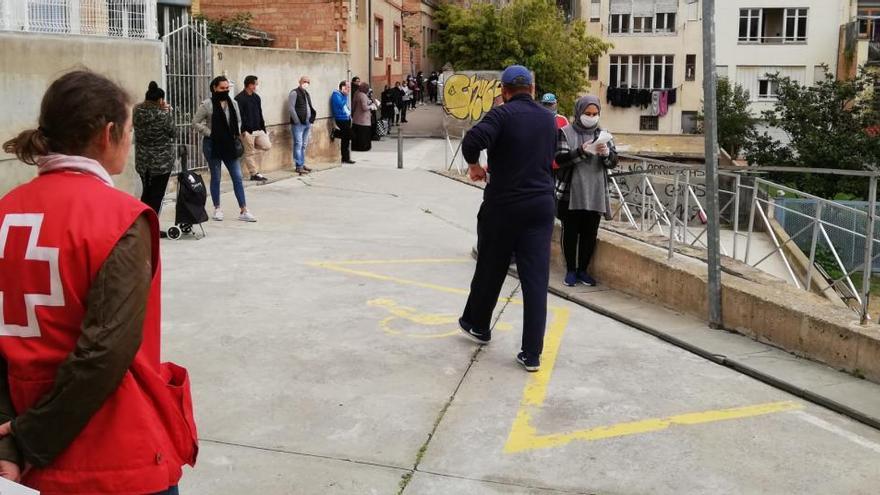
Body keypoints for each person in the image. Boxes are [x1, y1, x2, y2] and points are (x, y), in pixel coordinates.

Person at [0, 70, 197, 494]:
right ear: (109, 133)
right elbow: (105, 353)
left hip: (22, 452)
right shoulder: (120, 218)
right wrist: (28, 436)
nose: (130, 140)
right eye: (128, 130)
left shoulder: (5, 211)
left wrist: (10, 441)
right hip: (112, 452)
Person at [457, 65, 557, 373]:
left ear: (504, 90)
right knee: (536, 280)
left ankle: (478, 325)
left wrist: (474, 166)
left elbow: (472, 141)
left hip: (504, 206)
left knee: (490, 266)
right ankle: (532, 354)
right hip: (541, 206)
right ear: (533, 88)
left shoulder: (501, 114)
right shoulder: (549, 120)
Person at [555, 95, 618, 287]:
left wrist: (607, 154)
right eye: (587, 113)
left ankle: (583, 269)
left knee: (590, 233)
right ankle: (571, 270)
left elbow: (613, 163)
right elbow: (559, 160)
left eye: (595, 113)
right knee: (571, 232)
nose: (591, 117)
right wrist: (582, 151)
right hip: (571, 192)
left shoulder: (604, 134)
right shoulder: (565, 132)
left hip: (595, 191)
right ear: (578, 113)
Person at [194, 75, 257, 222]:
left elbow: (239, 120)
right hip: (213, 145)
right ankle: (217, 208)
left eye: (227, 88)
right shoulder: (207, 105)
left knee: (237, 177)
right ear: (215, 88)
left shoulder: (233, 103)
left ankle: (243, 209)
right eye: (222, 88)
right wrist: (211, 133)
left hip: (230, 144)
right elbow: (196, 122)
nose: (225, 90)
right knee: (216, 177)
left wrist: (235, 133)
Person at [133, 81, 175, 233]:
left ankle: (142, 226)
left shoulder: (137, 111)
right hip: (161, 163)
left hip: (143, 161)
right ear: (160, 100)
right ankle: (150, 229)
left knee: (146, 193)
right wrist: (169, 111)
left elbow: (141, 109)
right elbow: (173, 132)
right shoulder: (163, 114)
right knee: (156, 196)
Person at [235, 75, 272, 182]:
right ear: (250, 85)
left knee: (267, 145)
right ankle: (254, 173)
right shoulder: (239, 98)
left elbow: (260, 113)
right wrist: (243, 131)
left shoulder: (256, 97)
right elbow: (239, 116)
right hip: (247, 131)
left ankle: (249, 148)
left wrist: (263, 128)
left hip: (258, 129)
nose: (257, 86)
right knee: (249, 153)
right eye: (256, 84)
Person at [288, 76, 317, 175]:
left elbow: (308, 106)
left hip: (307, 123)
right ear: (299, 81)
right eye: (304, 81)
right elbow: (291, 108)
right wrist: (296, 121)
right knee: (298, 144)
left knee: (304, 145)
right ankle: (298, 166)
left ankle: (302, 163)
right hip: (298, 124)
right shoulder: (294, 93)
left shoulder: (306, 93)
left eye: (308, 82)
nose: (306, 83)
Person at [330, 80, 355, 165]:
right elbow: (340, 105)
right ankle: (336, 133)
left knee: (346, 140)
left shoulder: (343, 95)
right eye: (347, 87)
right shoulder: (336, 95)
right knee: (351, 135)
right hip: (340, 118)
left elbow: (345, 107)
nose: (349, 89)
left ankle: (345, 158)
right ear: (342, 87)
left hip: (346, 118)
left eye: (349, 87)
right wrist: (345, 96)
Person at [351, 82, 373, 152]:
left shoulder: (356, 93)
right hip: (363, 120)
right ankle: (363, 147)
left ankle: (355, 146)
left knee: (357, 134)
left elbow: (354, 105)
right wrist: (371, 107)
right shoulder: (363, 95)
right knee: (363, 135)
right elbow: (364, 107)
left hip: (356, 118)